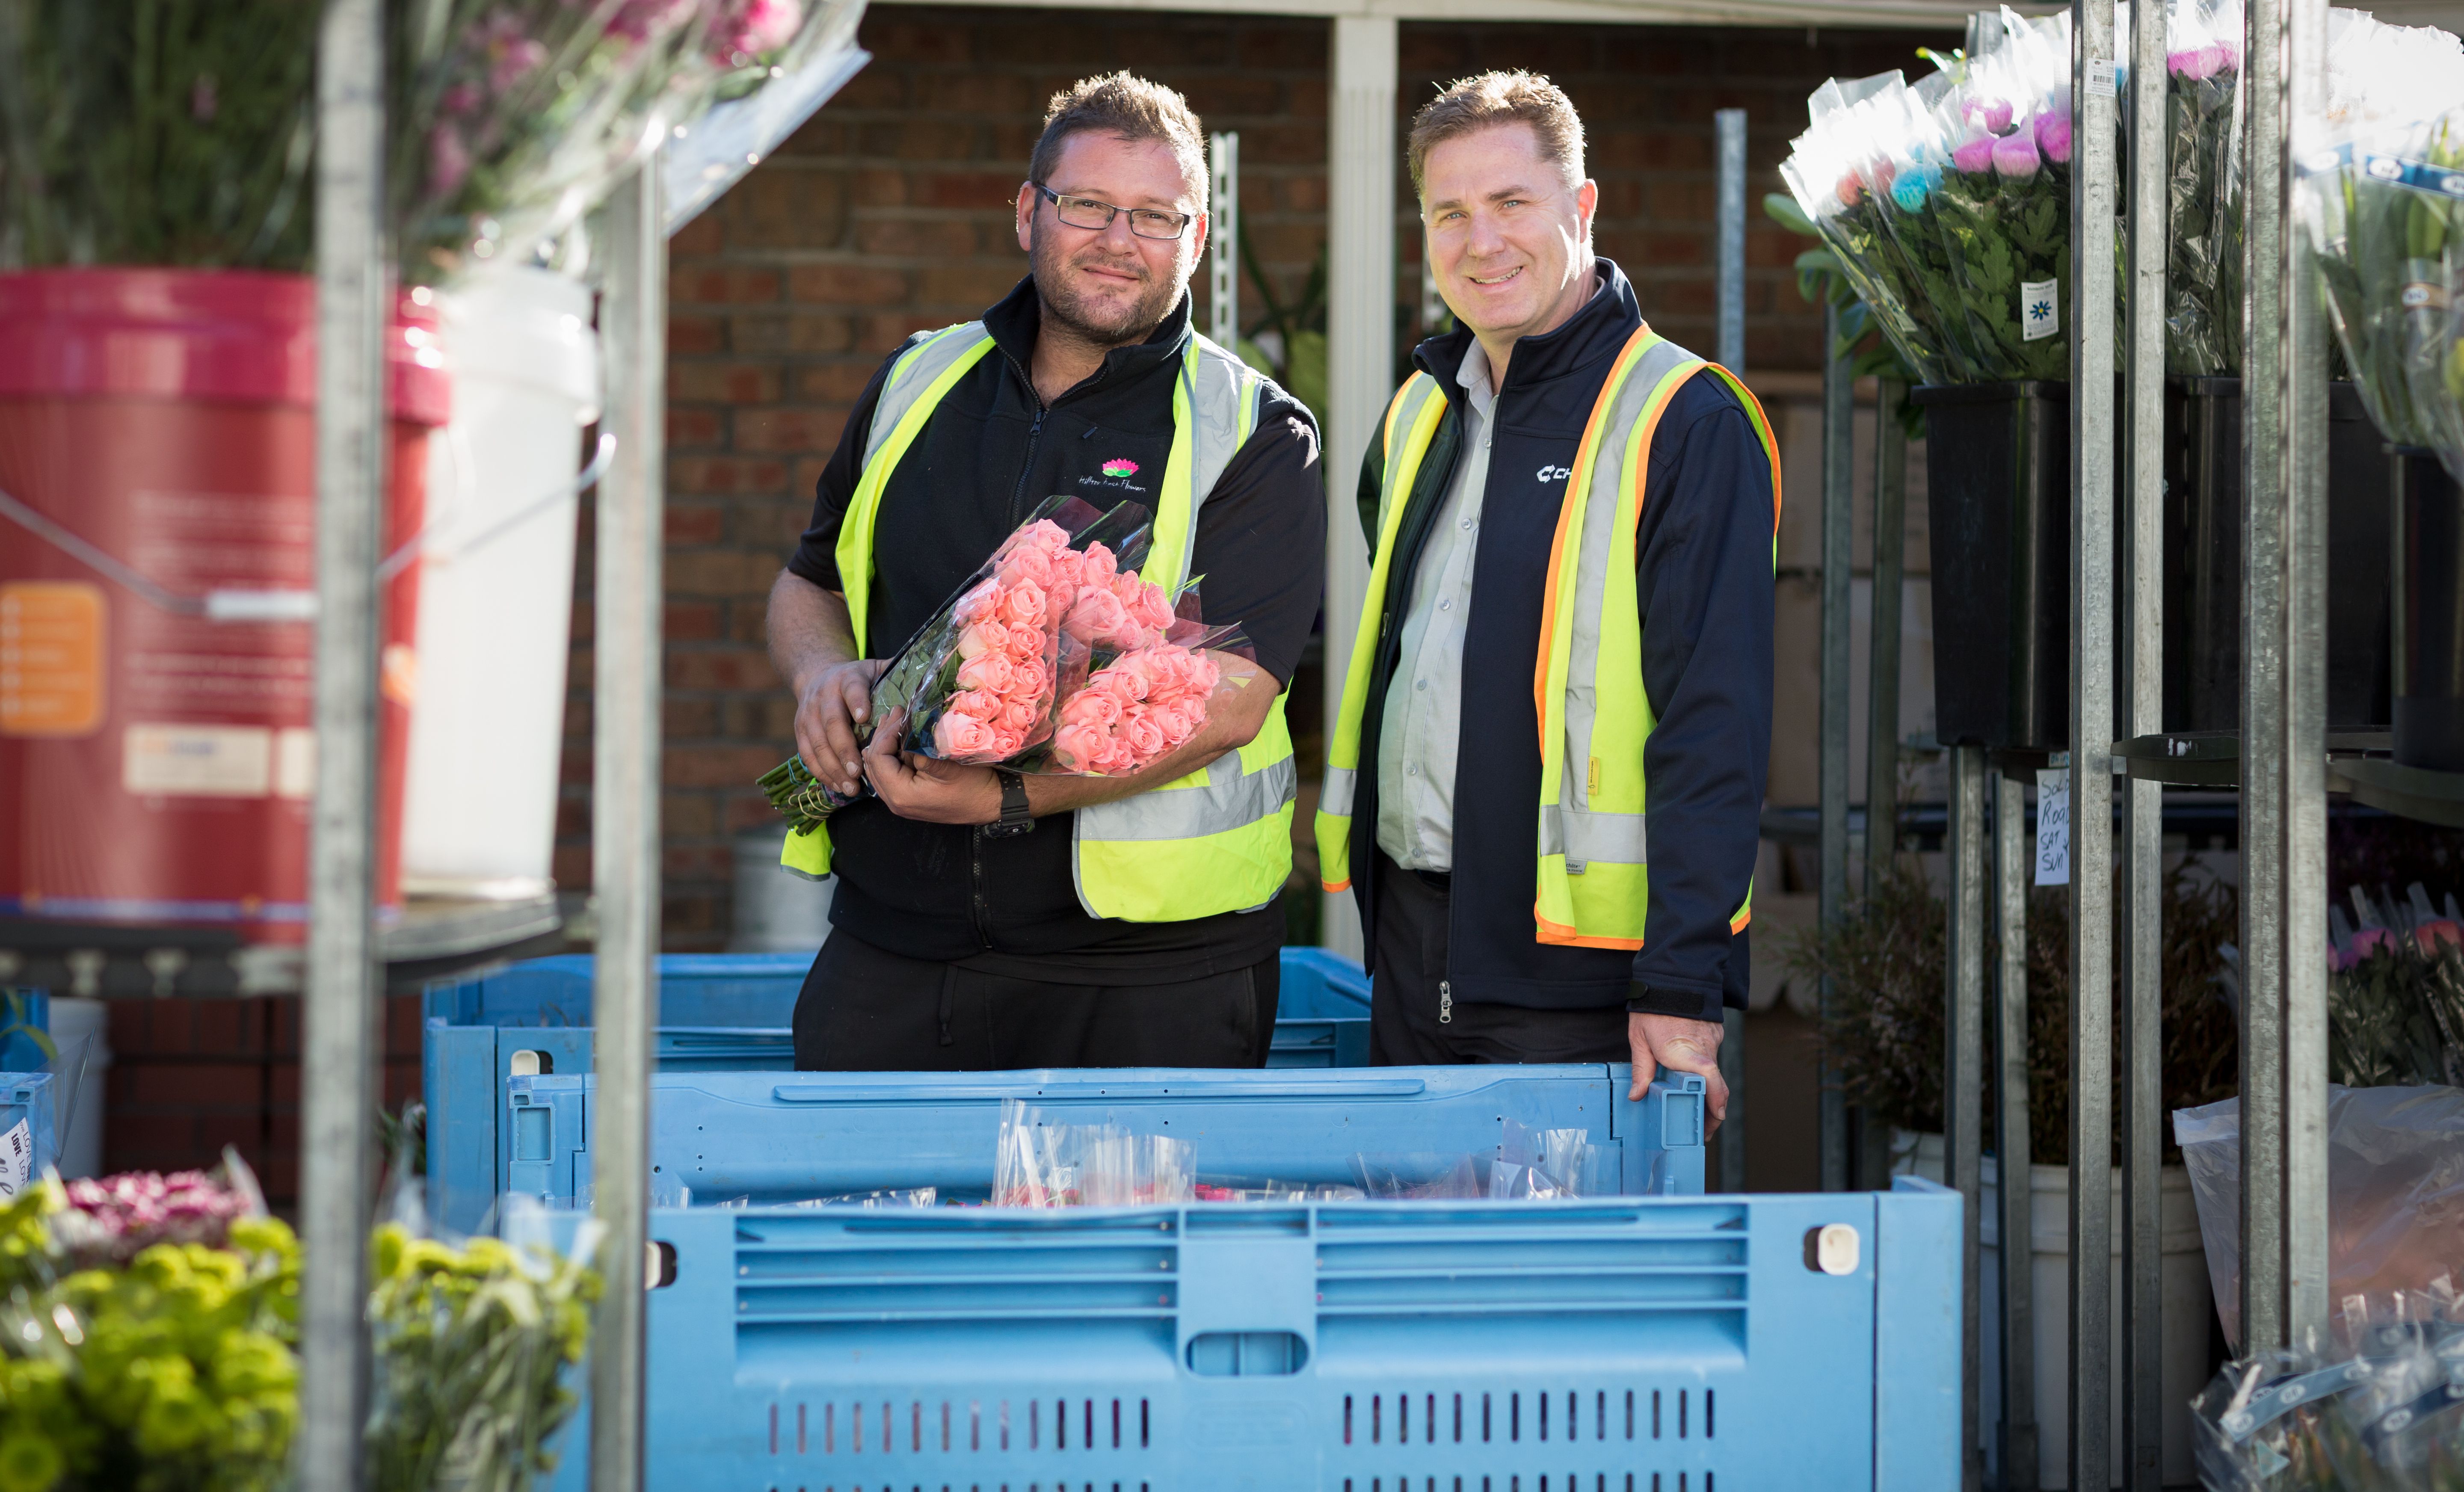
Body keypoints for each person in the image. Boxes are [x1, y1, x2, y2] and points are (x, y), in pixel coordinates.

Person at [765, 72, 1324, 1073]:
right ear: (1030, 213)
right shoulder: (915, 381)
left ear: (1196, 239)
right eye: (1089, 206)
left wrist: (1008, 801)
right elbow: (809, 582)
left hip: (1150, 976)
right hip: (896, 950)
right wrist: (820, 675)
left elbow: (1235, 698)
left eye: (1156, 216)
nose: (1121, 239)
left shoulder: (1256, 432)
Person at [1316, 72, 1777, 1126]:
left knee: (1555, 1289)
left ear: (1583, 206)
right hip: (1412, 951)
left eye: (1512, 203)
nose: (1481, 242)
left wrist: (1683, 988)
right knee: (1414, 1282)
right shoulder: (1420, 413)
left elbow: (1719, 723)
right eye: (1450, 213)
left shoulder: (1683, 417)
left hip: (1583, 987)